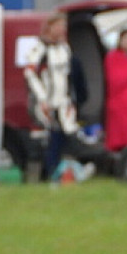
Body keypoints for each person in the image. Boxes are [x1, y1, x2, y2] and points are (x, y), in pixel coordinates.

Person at [24, 13, 78, 180]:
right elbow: (30, 73)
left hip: (63, 101)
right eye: (59, 26)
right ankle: (48, 173)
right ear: (50, 27)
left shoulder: (65, 48)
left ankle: (65, 172)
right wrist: (42, 97)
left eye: (63, 26)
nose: (62, 29)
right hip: (47, 102)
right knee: (50, 139)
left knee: (67, 136)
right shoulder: (40, 48)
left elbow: (68, 75)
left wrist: (70, 98)